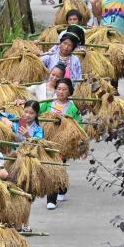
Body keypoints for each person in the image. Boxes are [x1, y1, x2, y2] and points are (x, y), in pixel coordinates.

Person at [39, 77, 81, 209]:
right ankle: (58, 192)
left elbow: (78, 126)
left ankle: (53, 197)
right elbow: (35, 112)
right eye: (58, 89)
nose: (61, 92)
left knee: (57, 166)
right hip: (48, 141)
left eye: (64, 89)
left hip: (64, 143)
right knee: (52, 167)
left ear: (70, 92)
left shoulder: (73, 108)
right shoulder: (47, 104)